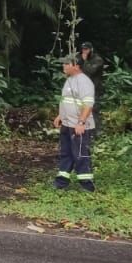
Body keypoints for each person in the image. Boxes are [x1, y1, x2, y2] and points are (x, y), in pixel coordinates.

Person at [53, 54, 96, 191]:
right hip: (67, 124)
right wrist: (60, 116)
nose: (63, 66)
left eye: (67, 64)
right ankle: (61, 181)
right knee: (66, 152)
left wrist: (81, 123)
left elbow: (88, 105)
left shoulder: (84, 82)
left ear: (76, 66)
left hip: (79, 126)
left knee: (80, 153)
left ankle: (87, 184)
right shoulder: (70, 80)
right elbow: (67, 100)